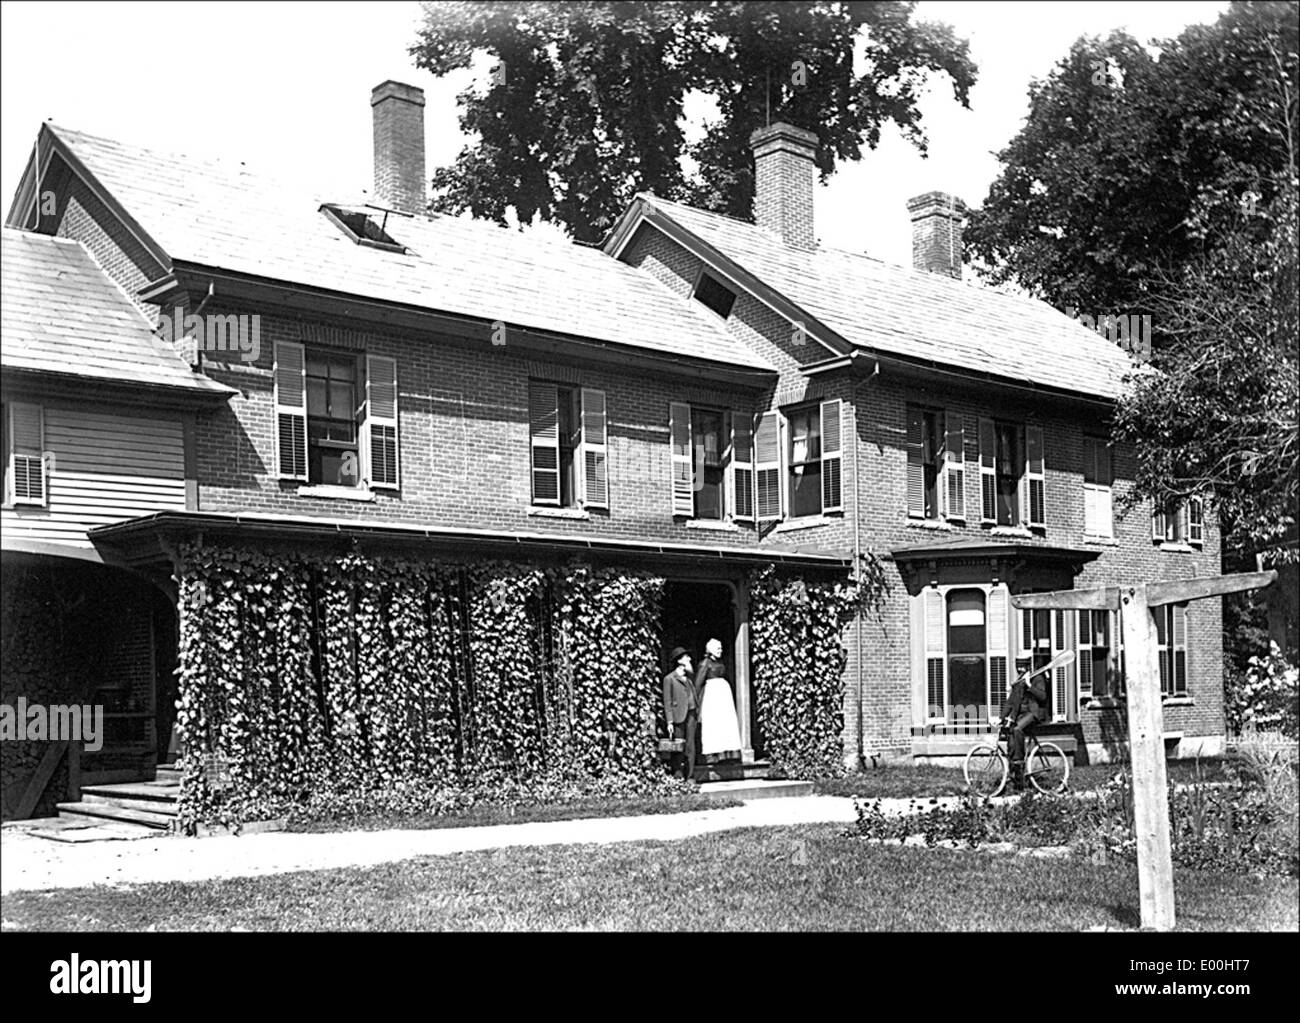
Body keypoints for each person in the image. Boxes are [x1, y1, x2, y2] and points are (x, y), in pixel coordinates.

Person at [1000, 665, 1048, 789]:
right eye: (1018, 666)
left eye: (1023, 666)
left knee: (1017, 729)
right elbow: (1010, 703)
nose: (1020, 669)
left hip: (1033, 713)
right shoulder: (1018, 682)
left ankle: (1019, 760)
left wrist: (1029, 685)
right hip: (1021, 715)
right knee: (1010, 737)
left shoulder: (1037, 678)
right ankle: (1015, 779)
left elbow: (1042, 696)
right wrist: (1000, 718)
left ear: (1028, 666)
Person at [696, 638, 741, 760]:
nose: (720, 650)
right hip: (712, 695)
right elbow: (698, 682)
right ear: (710, 650)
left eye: (721, 648)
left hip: (723, 695)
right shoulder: (705, 663)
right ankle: (712, 753)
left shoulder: (720, 662)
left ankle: (725, 753)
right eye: (718, 648)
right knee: (713, 723)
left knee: (724, 722)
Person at [662, 647, 698, 781]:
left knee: (690, 746)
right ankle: (678, 774)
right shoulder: (669, 679)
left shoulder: (689, 678)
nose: (689, 659)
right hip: (678, 715)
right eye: (686, 657)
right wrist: (669, 721)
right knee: (678, 746)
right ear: (679, 661)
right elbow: (667, 701)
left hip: (691, 714)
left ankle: (690, 776)